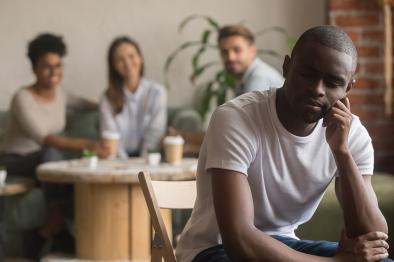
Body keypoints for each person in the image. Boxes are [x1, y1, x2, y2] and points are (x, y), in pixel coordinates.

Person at [176, 25, 392, 262]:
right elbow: (239, 240)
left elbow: (374, 236)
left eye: (333, 82)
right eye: (307, 74)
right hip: (215, 249)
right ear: (287, 66)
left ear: (348, 88)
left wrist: (341, 152)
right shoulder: (236, 118)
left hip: (285, 244)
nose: (317, 89)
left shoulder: (351, 134)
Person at [0, 33, 109, 178]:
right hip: (15, 161)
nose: (54, 72)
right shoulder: (22, 98)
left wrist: (113, 103)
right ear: (34, 69)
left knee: (60, 156)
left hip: (46, 159)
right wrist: (90, 145)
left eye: (58, 65)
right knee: (51, 151)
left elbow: (86, 104)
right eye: (47, 66)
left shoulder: (60, 93)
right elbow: (45, 139)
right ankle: (58, 200)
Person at [99, 36, 167, 158]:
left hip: (149, 159)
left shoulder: (157, 93)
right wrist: (124, 165)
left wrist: (142, 165)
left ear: (141, 58)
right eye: (120, 59)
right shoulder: (107, 97)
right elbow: (111, 136)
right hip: (118, 160)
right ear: (113, 66)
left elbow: (154, 134)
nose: (127, 63)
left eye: (131, 56)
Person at [218, 24, 284, 96]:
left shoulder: (259, 78)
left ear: (253, 50)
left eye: (237, 50)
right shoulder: (245, 78)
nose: (230, 57)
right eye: (224, 52)